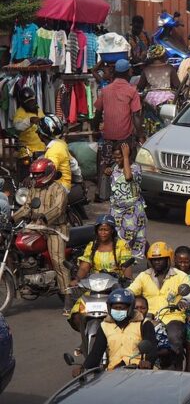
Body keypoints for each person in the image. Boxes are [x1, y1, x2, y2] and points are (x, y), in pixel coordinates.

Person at [13, 157, 70, 312]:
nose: (36, 177)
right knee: (17, 242)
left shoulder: (59, 189)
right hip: (36, 227)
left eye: (39, 174)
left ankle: (67, 297)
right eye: (34, 174)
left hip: (55, 228)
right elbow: (26, 208)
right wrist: (13, 218)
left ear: (48, 173)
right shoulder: (33, 188)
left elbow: (58, 208)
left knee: (58, 260)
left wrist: (44, 217)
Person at [128, 242, 190, 370]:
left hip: (172, 317)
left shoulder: (180, 276)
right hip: (147, 317)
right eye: (154, 259)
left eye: (161, 259)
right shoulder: (143, 276)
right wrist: (122, 296)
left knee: (174, 338)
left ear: (168, 259)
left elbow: (189, 295)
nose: (157, 262)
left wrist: (184, 301)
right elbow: (131, 290)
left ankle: (177, 367)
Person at [68, 215, 134, 333]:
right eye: (100, 230)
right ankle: (85, 339)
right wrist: (77, 279)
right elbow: (84, 267)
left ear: (112, 231)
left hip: (115, 287)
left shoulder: (121, 245)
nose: (103, 233)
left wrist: (128, 280)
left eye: (106, 230)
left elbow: (126, 267)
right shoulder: (92, 246)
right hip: (95, 286)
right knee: (77, 315)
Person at [93, 58, 143, 199]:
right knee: (126, 163)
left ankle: (101, 193)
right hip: (125, 137)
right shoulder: (132, 91)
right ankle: (126, 192)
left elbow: (97, 113)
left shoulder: (106, 90)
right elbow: (136, 116)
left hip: (108, 136)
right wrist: (141, 135)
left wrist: (95, 129)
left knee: (104, 164)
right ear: (128, 72)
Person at [76, 288, 156, 374]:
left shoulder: (144, 324)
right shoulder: (104, 326)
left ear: (130, 308)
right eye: (115, 308)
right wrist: (83, 368)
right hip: (113, 373)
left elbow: (152, 349)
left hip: (137, 372)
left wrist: (148, 362)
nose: (118, 310)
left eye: (121, 308)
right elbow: (96, 353)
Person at [108, 142, 146, 260]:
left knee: (130, 236)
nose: (117, 160)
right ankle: (119, 260)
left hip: (132, 209)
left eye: (119, 157)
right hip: (116, 209)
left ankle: (126, 261)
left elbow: (128, 177)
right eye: (115, 158)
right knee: (115, 235)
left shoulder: (135, 168)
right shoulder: (115, 167)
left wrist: (125, 157)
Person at [137, 45, 180, 136]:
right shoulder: (170, 68)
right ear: (163, 55)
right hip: (167, 100)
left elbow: (140, 86)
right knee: (168, 124)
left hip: (150, 101)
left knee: (152, 125)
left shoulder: (146, 69)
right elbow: (177, 85)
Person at [12, 86, 45, 174]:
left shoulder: (38, 109)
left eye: (33, 100)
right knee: (27, 175)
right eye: (28, 102)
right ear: (23, 103)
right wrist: (29, 121)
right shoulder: (20, 113)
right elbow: (18, 127)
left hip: (42, 149)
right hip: (28, 152)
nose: (31, 103)